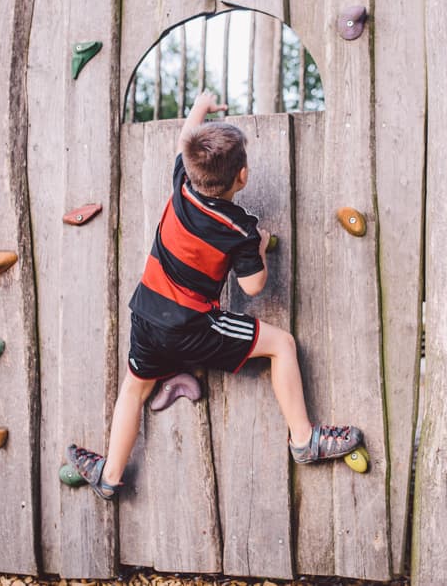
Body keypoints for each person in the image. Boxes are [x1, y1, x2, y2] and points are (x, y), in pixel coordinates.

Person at [67, 92, 364, 500]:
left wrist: (201, 106)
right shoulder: (239, 228)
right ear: (242, 176)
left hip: (147, 314)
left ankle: (110, 475)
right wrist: (258, 247)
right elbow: (252, 286)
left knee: (133, 390)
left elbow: (185, 138)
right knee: (282, 345)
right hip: (191, 326)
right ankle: (304, 439)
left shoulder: (182, 186)